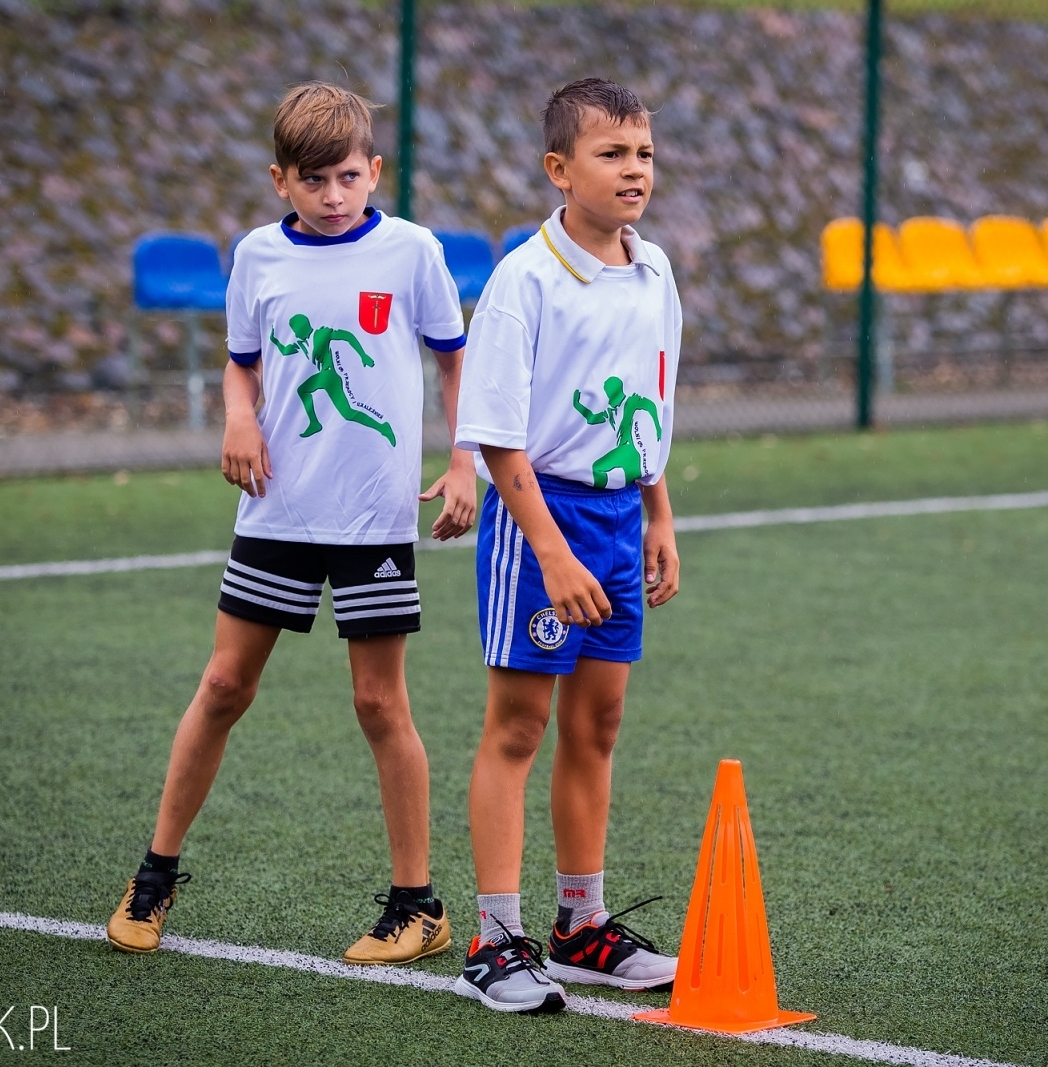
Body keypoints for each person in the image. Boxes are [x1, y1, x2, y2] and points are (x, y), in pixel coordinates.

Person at [105, 82, 476, 967]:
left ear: (374, 169)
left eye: (349, 176)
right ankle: (153, 878)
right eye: (314, 180)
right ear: (281, 180)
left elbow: (459, 366)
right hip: (276, 509)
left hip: (376, 518)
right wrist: (238, 416)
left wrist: (465, 464)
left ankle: (416, 905)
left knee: (380, 702)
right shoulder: (256, 258)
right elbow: (242, 369)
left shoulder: (413, 252)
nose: (335, 194)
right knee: (225, 686)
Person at [450, 78, 683, 1014]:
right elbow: (499, 436)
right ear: (559, 168)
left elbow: (652, 404)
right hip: (540, 522)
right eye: (612, 154)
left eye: (645, 154)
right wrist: (549, 549)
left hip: (621, 519)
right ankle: (494, 940)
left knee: (599, 724)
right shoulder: (525, 278)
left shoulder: (655, 269)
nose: (635, 172)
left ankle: (579, 925)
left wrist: (660, 511)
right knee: (520, 727)